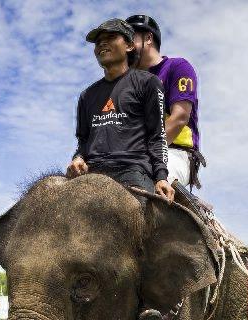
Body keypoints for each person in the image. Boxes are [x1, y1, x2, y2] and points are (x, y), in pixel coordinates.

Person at [66, 18, 174, 203]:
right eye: (98, 41)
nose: (102, 43)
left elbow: (157, 135)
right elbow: (83, 141)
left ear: (130, 46)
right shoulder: (87, 95)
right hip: (92, 173)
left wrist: (161, 176)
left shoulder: (147, 83)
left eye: (110, 37)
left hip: (133, 171)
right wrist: (77, 158)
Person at [127, 14, 203, 192]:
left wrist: (142, 153)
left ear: (148, 38)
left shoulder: (178, 67)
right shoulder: (128, 84)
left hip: (175, 153)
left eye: (130, 40)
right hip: (135, 156)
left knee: (139, 182)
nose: (126, 49)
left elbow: (180, 118)